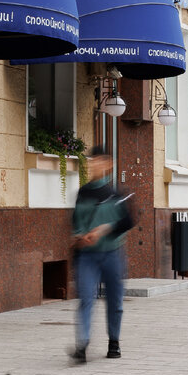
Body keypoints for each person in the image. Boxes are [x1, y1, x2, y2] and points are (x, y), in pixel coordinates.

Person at [69, 146, 133, 363]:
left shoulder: (116, 195)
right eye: (92, 160)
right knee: (86, 298)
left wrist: (104, 229)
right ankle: (82, 345)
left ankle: (114, 341)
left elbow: (128, 221)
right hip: (87, 256)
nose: (94, 164)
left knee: (114, 301)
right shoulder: (83, 193)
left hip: (112, 255)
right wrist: (80, 236)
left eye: (99, 160)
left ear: (109, 164)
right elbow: (76, 222)